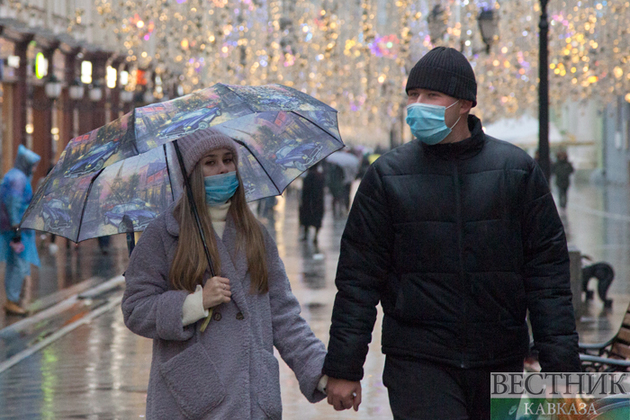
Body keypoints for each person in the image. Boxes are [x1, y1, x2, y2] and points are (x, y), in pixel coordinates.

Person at [322, 46, 580, 419]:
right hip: (418, 363)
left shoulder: (517, 172)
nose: (417, 104)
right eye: (412, 95)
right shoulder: (387, 177)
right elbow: (358, 279)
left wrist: (563, 373)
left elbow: (548, 278)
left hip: (500, 360)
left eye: (431, 95)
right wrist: (344, 368)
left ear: (464, 104)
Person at [121, 130, 327, 419]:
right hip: (190, 399)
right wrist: (194, 303)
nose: (223, 169)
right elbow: (135, 308)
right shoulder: (162, 235)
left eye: (228, 160)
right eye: (210, 162)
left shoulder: (255, 234)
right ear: (191, 173)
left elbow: (283, 316)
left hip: (251, 397)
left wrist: (322, 372)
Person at [0, 145, 41, 316]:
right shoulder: (19, 179)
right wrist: (17, 225)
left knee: (14, 263)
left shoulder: (13, 175)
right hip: (17, 229)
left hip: (11, 227)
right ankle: (12, 300)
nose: (34, 168)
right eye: (32, 164)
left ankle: (12, 299)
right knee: (18, 264)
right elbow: (14, 202)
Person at [299, 163, 325, 244]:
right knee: (317, 219)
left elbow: (304, 191)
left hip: (308, 201)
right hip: (318, 201)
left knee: (306, 218)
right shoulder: (320, 176)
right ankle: (315, 237)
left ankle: (306, 235)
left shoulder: (308, 176)